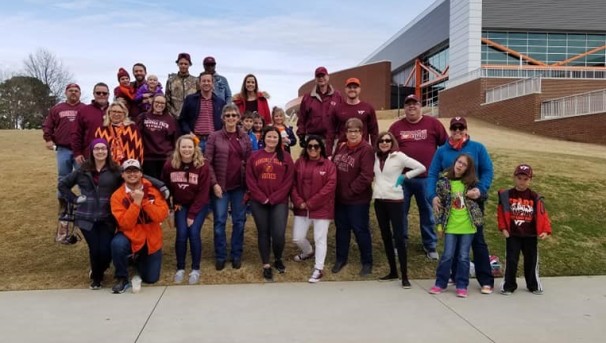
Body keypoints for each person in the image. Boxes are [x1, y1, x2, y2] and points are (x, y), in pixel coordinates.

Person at [427, 116, 495, 294]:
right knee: (452, 246)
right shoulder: (442, 151)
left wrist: (480, 190)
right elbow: (432, 174)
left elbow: (488, 171)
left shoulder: (478, 148)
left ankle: (486, 280)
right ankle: (455, 277)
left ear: (466, 129)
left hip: (473, 202)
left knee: (477, 241)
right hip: (451, 204)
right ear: (450, 130)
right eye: (454, 128)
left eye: (460, 128)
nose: (457, 131)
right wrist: (432, 196)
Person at [388, 94, 448, 260]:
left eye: (415, 104)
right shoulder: (396, 127)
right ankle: (400, 243)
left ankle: (430, 245)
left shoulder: (433, 124)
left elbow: (445, 146)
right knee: (400, 213)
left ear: (420, 106)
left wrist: (443, 168)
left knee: (427, 213)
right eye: (408, 104)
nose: (411, 107)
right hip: (402, 178)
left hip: (427, 178)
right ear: (404, 107)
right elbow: (387, 149)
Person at [58, 138, 122, 289]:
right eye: (97, 149)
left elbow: (135, 179)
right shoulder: (82, 170)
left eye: (103, 149)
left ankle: (100, 269)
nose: (100, 151)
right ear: (92, 152)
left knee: (105, 249)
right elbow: (63, 185)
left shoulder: (115, 170)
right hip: (86, 216)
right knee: (94, 249)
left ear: (108, 151)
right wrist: (74, 199)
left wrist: (161, 186)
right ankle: (97, 278)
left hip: (107, 217)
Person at [372, 131, 426, 288]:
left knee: (399, 237)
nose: (384, 143)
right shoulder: (375, 156)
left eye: (388, 140)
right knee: (386, 236)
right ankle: (392, 271)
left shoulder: (399, 156)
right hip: (379, 201)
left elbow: (421, 167)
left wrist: (405, 176)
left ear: (392, 142)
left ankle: (404, 276)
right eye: (381, 140)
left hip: (395, 200)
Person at [110, 159, 169, 294]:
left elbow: (160, 216)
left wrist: (145, 202)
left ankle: (136, 260)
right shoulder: (117, 196)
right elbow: (125, 224)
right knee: (117, 244)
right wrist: (136, 204)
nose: (132, 174)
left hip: (151, 239)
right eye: (128, 171)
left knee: (151, 278)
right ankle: (121, 278)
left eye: (135, 171)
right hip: (130, 236)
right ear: (122, 175)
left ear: (141, 173)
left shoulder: (154, 191)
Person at [428, 153, 483, 298]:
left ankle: (462, 285)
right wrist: (439, 226)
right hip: (451, 225)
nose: (460, 166)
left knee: (463, 256)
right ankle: (440, 283)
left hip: (467, 226)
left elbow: (483, 194)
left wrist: (478, 193)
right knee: (447, 255)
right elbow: (440, 206)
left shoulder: (471, 183)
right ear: (454, 163)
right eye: (459, 162)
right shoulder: (444, 182)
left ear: (468, 169)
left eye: (464, 165)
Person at [205, 104, 252, 270]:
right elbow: (207, 162)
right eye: (228, 116)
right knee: (219, 222)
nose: (231, 118)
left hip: (239, 186)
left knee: (239, 221)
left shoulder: (245, 137)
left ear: (238, 118)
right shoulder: (214, 137)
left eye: (234, 115)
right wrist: (214, 184)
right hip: (221, 186)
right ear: (223, 118)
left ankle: (236, 254)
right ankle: (220, 256)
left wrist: (249, 185)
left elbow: (250, 160)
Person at [246, 126, 294, 281]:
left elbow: (289, 181)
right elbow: (250, 180)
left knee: (278, 233)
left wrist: (274, 198)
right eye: (269, 136)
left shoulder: (285, 157)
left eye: (275, 137)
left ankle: (278, 258)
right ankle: (266, 264)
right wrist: (261, 197)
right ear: (264, 138)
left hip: (279, 201)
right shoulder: (255, 156)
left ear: (278, 139)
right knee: (263, 232)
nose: (272, 139)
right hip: (258, 201)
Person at [162, 134, 211, 285]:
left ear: (195, 148)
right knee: (182, 233)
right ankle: (180, 268)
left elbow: (203, 193)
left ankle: (195, 269)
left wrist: (192, 214)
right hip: (180, 205)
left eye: (190, 146)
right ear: (179, 148)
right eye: (184, 146)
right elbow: (165, 187)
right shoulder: (170, 165)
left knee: (194, 232)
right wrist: (169, 207)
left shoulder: (202, 165)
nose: (187, 149)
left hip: (198, 205)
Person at [497, 164, 552, 295]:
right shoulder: (506, 195)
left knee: (531, 260)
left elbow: (543, 215)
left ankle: (533, 285)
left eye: (525, 179)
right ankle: (509, 285)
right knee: (511, 260)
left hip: (530, 235)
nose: (522, 181)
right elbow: (500, 213)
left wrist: (545, 230)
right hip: (513, 234)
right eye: (519, 178)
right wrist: (503, 228)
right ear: (514, 178)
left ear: (530, 180)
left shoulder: (535, 197)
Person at [43, 83, 86, 241]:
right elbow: (48, 125)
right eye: (71, 91)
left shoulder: (84, 109)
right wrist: (48, 139)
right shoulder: (57, 108)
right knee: (63, 177)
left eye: (76, 91)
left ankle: (84, 205)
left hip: (79, 150)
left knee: (83, 177)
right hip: (63, 148)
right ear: (66, 92)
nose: (74, 93)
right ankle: (63, 203)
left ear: (80, 93)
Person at [331, 118, 374, 276]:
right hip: (339, 199)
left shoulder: (366, 149)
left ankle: (367, 262)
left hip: (357, 200)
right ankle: (341, 259)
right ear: (346, 132)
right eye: (350, 131)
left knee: (360, 230)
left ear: (362, 133)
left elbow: (366, 176)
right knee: (342, 230)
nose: (353, 134)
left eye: (356, 131)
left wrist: (350, 191)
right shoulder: (341, 147)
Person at [290, 136, 336, 283]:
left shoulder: (329, 165)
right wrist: (298, 201)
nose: (313, 149)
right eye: (310, 146)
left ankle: (318, 268)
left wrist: (310, 203)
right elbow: (293, 184)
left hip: (321, 208)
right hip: (302, 207)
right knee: (297, 237)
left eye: (316, 146)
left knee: (320, 238)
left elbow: (329, 187)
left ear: (321, 148)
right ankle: (308, 251)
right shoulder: (299, 162)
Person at [326, 77, 378, 156]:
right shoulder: (337, 108)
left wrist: (375, 152)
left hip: (362, 151)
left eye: (355, 87)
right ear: (345, 89)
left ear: (359, 89)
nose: (352, 89)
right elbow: (330, 132)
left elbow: (374, 132)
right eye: (349, 87)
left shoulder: (368, 108)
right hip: (343, 151)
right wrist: (328, 153)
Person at [178, 71, 226, 152]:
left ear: (212, 83)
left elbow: (223, 122)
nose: (206, 83)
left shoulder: (220, 102)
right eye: (203, 81)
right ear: (199, 83)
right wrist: (189, 133)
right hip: (195, 140)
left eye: (208, 81)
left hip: (213, 141)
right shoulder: (190, 99)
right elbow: (182, 120)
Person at [296, 66, 342, 144]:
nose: (321, 78)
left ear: (328, 77)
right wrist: (301, 136)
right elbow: (302, 118)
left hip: (332, 139)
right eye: (318, 76)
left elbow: (342, 117)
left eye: (323, 75)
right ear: (315, 79)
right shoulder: (308, 97)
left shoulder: (337, 96)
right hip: (313, 139)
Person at [137, 95, 179, 179]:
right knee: (151, 185)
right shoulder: (143, 117)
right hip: (148, 158)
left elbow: (175, 139)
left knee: (164, 184)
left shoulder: (171, 120)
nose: (159, 105)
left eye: (162, 103)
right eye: (157, 102)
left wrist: (174, 156)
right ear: (152, 103)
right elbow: (137, 136)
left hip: (165, 158)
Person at [72, 82, 111, 165]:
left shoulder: (114, 111)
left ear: (108, 94)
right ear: (93, 94)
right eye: (98, 93)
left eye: (104, 93)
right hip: (89, 155)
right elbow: (76, 133)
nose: (101, 95)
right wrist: (77, 153)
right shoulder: (84, 111)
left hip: (111, 155)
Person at [166, 52, 198, 118]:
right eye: (181, 64)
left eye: (186, 64)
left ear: (189, 65)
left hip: (191, 117)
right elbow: (167, 99)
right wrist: (172, 113)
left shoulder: (196, 81)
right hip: (174, 117)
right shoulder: (171, 80)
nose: (183, 66)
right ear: (178, 64)